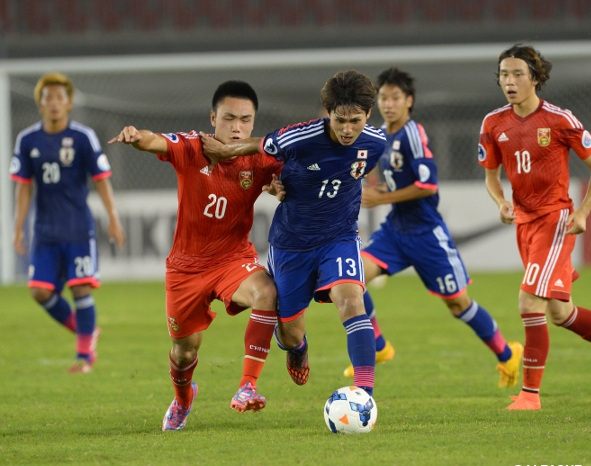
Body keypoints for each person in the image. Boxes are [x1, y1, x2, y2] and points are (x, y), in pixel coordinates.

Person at [108, 80, 283, 430]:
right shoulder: (192, 147)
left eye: (246, 119)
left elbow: (285, 180)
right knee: (184, 351)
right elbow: (153, 139)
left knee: (268, 292)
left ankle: (248, 386)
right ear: (213, 117)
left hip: (233, 260)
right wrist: (135, 135)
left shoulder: (260, 157)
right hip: (185, 270)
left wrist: (280, 186)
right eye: (230, 117)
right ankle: (183, 399)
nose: (237, 127)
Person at [201, 70, 387, 397]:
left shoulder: (376, 142)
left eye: (355, 121)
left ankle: (365, 396)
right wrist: (234, 157)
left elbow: (353, 173)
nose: (347, 129)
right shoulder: (299, 138)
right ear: (327, 113)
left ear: (368, 115)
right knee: (288, 333)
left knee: (351, 299)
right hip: (292, 245)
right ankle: (298, 347)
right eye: (339, 120)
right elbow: (260, 149)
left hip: (339, 238)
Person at [478, 43, 591, 410]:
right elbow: (491, 175)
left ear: (535, 78)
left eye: (518, 73)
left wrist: (582, 212)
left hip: (556, 220)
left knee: (528, 300)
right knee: (560, 313)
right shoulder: (493, 123)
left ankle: (530, 396)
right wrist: (501, 201)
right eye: (504, 74)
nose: (510, 81)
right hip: (524, 224)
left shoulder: (559, 119)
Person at [340, 67, 523, 389]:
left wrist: (381, 198)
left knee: (458, 304)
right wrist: (379, 192)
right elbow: (399, 180)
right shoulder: (384, 135)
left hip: (427, 236)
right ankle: (379, 347)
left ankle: (507, 354)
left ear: (408, 101)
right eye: (383, 97)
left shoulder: (413, 133)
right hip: (396, 230)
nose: (389, 104)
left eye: (395, 98)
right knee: (352, 278)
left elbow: (427, 185)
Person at [10, 72, 125, 374]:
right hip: (45, 232)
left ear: (69, 103)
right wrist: (18, 226)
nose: (54, 103)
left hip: (77, 229)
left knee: (80, 289)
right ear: (40, 104)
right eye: (48, 98)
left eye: (59, 98)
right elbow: (23, 187)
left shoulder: (82, 137)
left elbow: (101, 179)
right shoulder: (28, 140)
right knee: (39, 291)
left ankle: (84, 357)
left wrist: (113, 217)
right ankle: (86, 331)